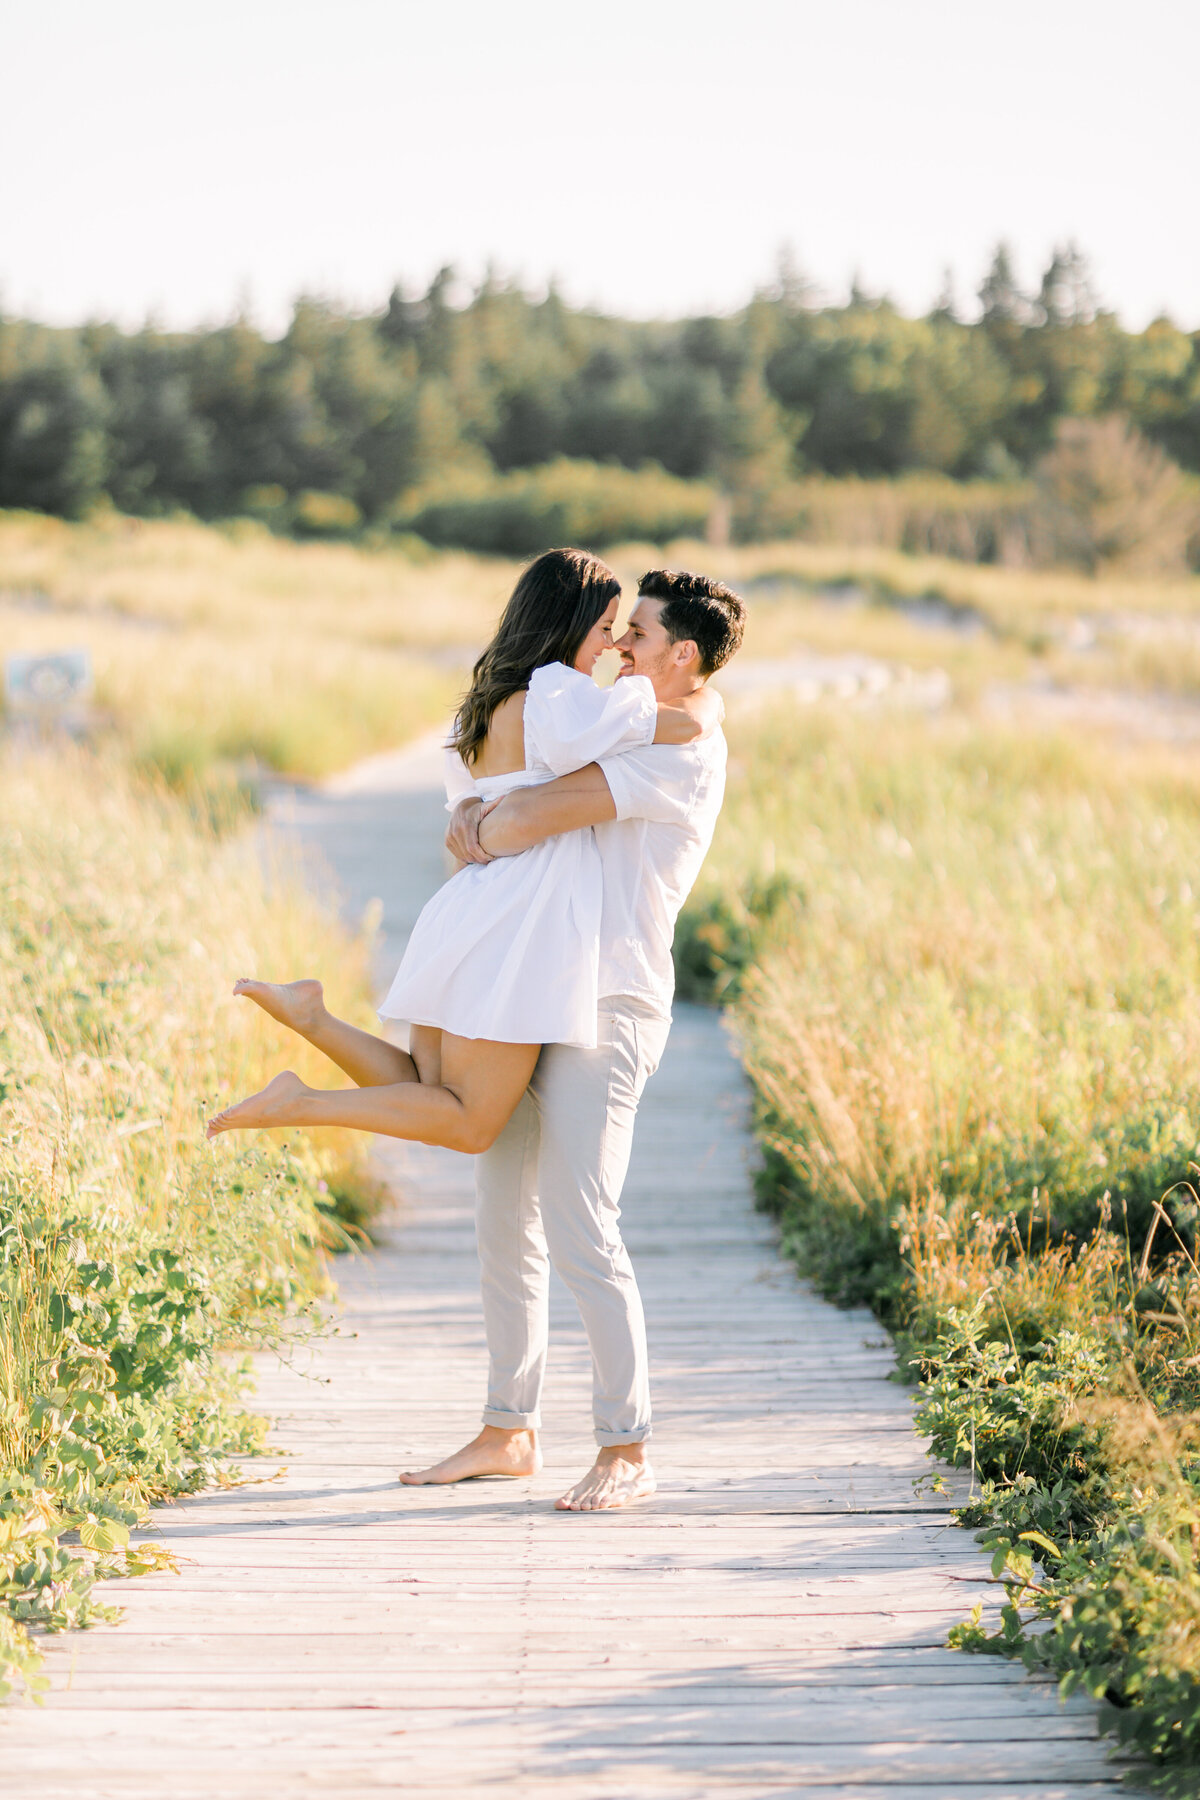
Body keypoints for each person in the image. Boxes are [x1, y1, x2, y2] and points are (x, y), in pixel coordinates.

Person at [405, 569, 745, 1511]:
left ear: (683, 655)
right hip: (539, 987)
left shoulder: (680, 750)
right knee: (500, 1216)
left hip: (610, 1005)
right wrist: (476, 816)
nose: (619, 649)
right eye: (618, 630)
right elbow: (499, 800)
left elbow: (523, 816)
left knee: (580, 1224)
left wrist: (479, 820)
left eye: (636, 634)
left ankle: (626, 1447)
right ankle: (508, 1430)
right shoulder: (630, 717)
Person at [205, 546, 716, 1157]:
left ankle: (314, 1019)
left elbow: (465, 803)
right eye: (604, 629)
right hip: (521, 915)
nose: (609, 646)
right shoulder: (560, 694)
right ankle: (301, 1103)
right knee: (472, 1124)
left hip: (467, 903)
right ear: (568, 622)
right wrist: (708, 699)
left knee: (427, 1086)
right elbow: (680, 725)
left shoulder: (487, 699)